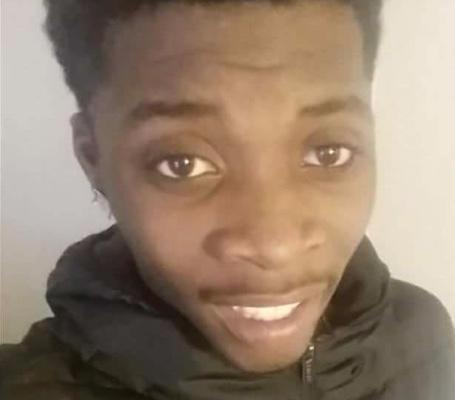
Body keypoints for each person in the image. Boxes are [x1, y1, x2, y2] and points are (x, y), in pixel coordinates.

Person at [1, 0, 454, 398]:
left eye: (328, 152)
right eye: (181, 164)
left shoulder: (422, 338)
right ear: (92, 157)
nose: (274, 247)